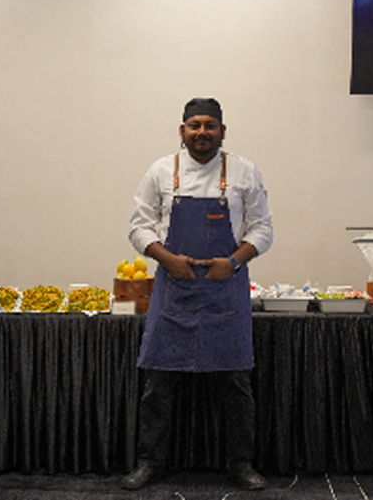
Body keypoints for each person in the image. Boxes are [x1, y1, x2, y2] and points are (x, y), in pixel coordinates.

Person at [121, 97, 273, 491]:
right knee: (158, 387)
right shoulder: (160, 171)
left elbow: (262, 229)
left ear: (223, 131)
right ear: (182, 130)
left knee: (236, 385)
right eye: (194, 125)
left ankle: (241, 464)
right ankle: (150, 463)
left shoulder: (244, 171)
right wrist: (168, 259)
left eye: (209, 125)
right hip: (174, 289)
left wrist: (233, 262)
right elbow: (139, 227)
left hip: (226, 289)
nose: (201, 132)